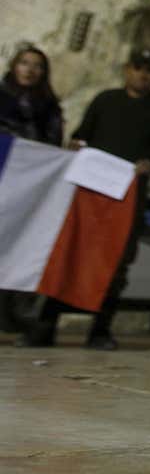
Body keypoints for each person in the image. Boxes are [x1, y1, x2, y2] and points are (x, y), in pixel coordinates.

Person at [20, 49, 150, 350]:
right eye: (137, 68)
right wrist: (77, 144)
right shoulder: (106, 100)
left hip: (129, 197)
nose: (143, 75)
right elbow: (83, 134)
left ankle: (100, 330)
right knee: (71, 253)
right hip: (91, 194)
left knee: (116, 263)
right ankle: (45, 325)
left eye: (149, 70)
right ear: (126, 70)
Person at [0, 45, 64, 332]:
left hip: (31, 189)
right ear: (15, 66)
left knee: (21, 246)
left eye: (37, 65)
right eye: (25, 63)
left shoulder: (49, 107)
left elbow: (52, 145)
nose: (30, 69)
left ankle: (11, 312)